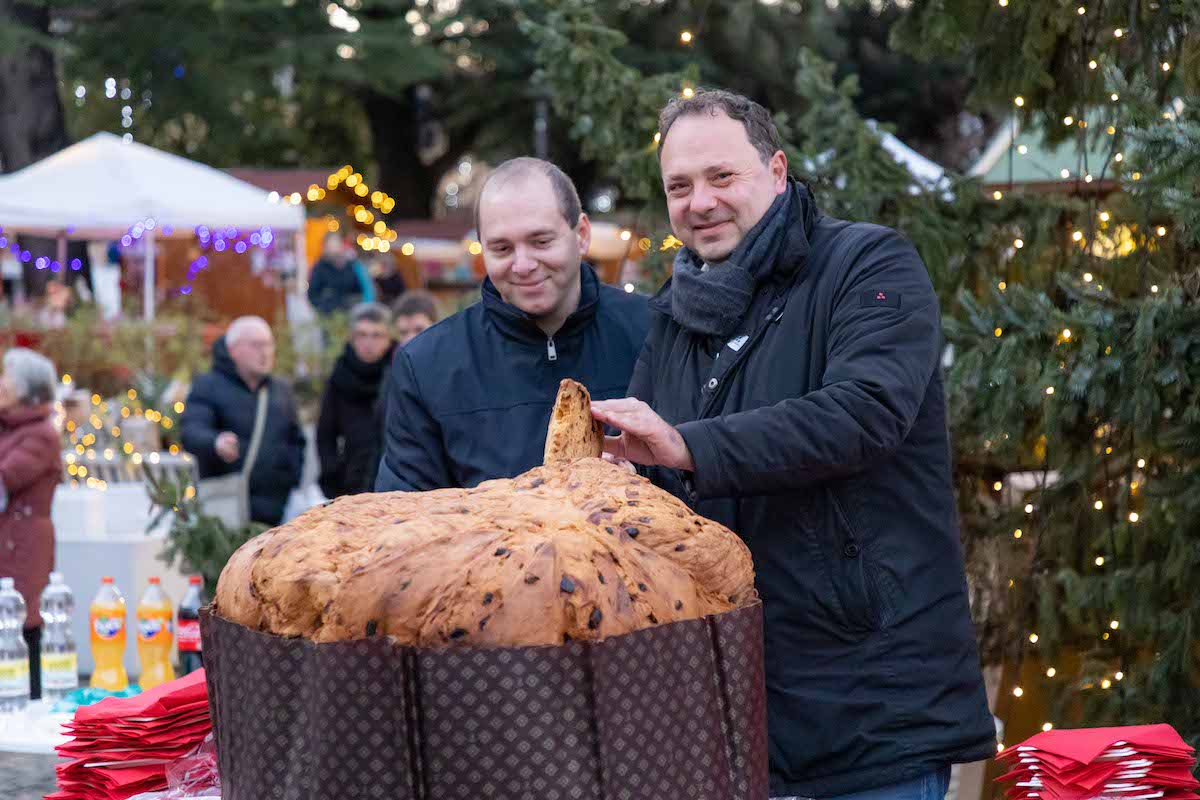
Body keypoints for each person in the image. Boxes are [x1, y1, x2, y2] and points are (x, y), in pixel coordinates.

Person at [591, 90, 994, 800]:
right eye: (678, 187)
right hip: (730, 721)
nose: (700, 202)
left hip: (871, 716)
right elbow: (648, 490)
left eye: (722, 177)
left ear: (777, 171)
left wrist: (687, 445)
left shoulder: (869, 266)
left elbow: (864, 414)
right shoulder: (675, 318)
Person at [375, 157, 650, 491]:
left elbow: (701, 473)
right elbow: (404, 517)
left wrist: (642, 481)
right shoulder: (426, 366)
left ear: (581, 235)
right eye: (502, 248)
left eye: (541, 242)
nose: (523, 265)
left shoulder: (654, 333)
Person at [181, 316, 306, 526]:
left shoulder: (281, 390)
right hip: (227, 510)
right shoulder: (208, 385)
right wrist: (215, 441)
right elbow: (191, 430)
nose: (265, 352)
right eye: (256, 345)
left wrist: (291, 478)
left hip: (277, 511)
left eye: (269, 344)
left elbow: (296, 440)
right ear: (232, 350)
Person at [0, 348, 62, 700]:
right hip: (9, 538)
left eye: (7, 376)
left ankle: (32, 698)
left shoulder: (40, 434)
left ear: (25, 388)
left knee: (25, 619)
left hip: (22, 544)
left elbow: (4, 479)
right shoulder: (9, 427)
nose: (1, 382)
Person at [316, 302, 396, 498]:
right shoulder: (340, 375)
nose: (369, 343)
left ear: (388, 339)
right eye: (362, 335)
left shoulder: (399, 371)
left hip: (394, 479)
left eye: (377, 335)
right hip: (351, 480)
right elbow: (325, 433)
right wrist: (332, 473)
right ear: (352, 339)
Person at [307, 233, 375, 315]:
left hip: (354, 312)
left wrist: (363, 308)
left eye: (336, 245)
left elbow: (367, 288)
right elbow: (313, 295)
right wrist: (326, 308)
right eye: (330, 247)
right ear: (325, 248)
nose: (334, 250)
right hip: (330, 316)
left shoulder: (353, 264)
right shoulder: (319, 268)